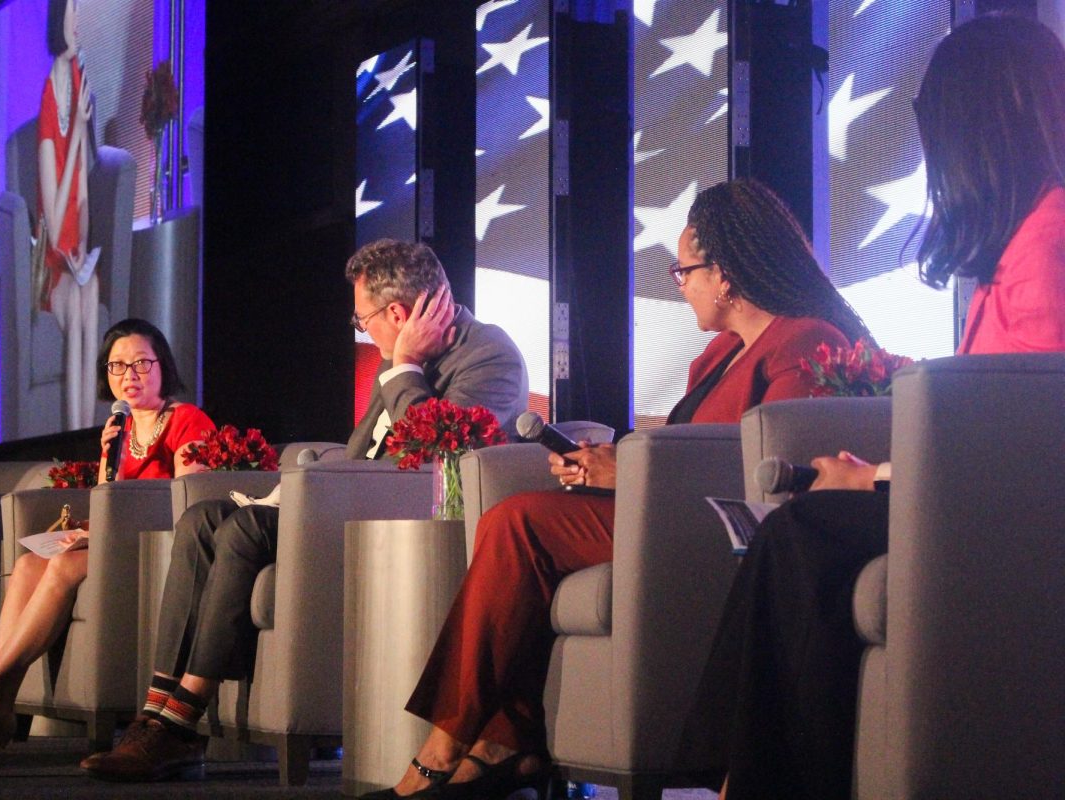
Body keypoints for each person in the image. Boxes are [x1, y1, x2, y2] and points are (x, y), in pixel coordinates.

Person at [369, 179, 873, 800]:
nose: (678, 283)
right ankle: (497, 746)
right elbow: (683, 448)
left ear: (726, 274)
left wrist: (629, 471)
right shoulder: (714, 357)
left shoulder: (801, 341)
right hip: (658, 512)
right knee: (514, 520)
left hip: (718, 526)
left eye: (684, 269)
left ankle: (443, 754)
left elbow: (778, 471)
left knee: (517, 523)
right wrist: (604, 463)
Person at [675, 14, 1065, 800]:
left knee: (804, 530)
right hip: (983, 497)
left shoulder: (1048, 243)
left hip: (1015, 514)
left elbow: (1031, 435)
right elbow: (983, 424)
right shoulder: (1019, 243)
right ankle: (731, 778)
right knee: (795, 526)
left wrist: (882, 484)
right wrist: (880, 470)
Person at [80, 239, 529, 782]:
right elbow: (363, 448)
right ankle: (154, 713)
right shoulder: (399, 361)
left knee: (245, 528)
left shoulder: (488, 355)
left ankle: (180, 723)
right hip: (351, 496)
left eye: (364, 320)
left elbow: (435, 450)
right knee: (202, 519)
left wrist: (405, 364)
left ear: (398, 314)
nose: (365, 333)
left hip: (407, 518)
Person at [0, 319, 214, 747]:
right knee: (26, 564)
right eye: (117, 366)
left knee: (60, 565)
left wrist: (105, 526)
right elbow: (110, 500)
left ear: (163, 365)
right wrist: (97, 512)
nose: (129, 376)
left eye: (141, 364)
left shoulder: (186, 419)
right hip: (115, 538)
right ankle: (4, 706)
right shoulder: (118, 432)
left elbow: (188, 500)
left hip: (157, 547)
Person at [38, 0, 100, 431]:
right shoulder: (48, 104)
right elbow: (54, 216)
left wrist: (81, 256)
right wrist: (75, 132)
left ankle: (94, 433)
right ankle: (76, 436)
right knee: (76, 301)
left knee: (90, 288)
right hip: (51, 268)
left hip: (73, 261)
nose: (78, 22)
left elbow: (80, 209)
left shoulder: (77, 82)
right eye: (72, 12)